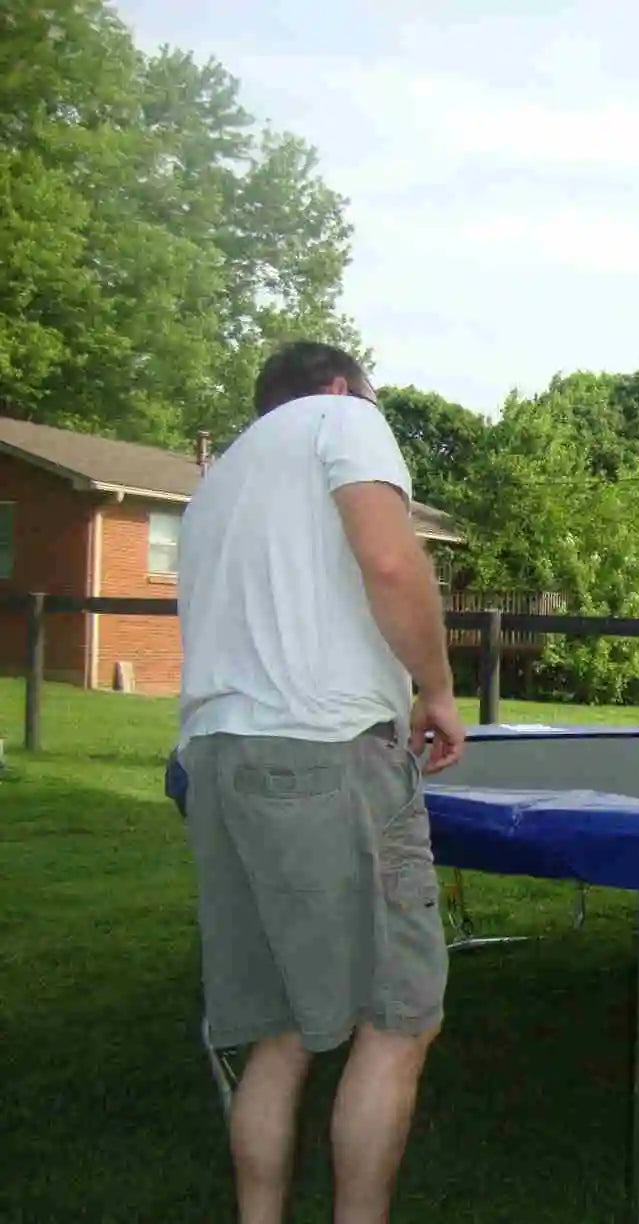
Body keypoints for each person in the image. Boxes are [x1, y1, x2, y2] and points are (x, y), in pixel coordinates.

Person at [174, 340, 467, 1224]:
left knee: (277, 1029)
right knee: (399, 1019)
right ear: (340, 386)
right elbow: (388, 561)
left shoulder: (219, 481)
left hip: (219, 758)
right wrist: (438, 688)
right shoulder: (344, 420)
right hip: (325, 751)